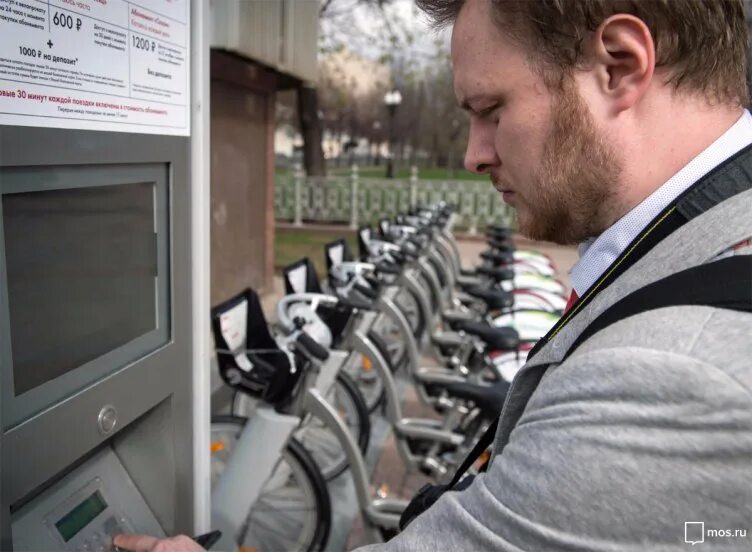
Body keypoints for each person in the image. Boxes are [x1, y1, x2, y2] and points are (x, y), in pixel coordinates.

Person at [117, 0, 752, 550]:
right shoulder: (701, 235)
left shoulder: (669, 376)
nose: (475, 155)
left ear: (618, 64)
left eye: (491, 109)